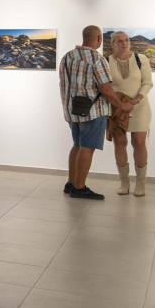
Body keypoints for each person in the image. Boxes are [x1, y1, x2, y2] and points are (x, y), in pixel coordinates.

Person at [60, 26, 135, 199]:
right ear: (99, 38)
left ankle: (71, 183)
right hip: (92, 112)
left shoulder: (67, 57)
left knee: (77, 145)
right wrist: (121, 106)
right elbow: (106, 90)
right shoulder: (97, 59)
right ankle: (79, 188)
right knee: (87, 147)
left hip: (72, 111)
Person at [107, 32, 153, 196]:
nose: (124, 43)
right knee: (119, 143)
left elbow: (147, 83)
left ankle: (140, 183)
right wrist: (119, 104)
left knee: (139, 142)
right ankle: (124, 182)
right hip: (117, 108)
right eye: (119, 41)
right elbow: (105, 87)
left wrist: (136, 100)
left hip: (139, 107)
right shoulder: (106, 61)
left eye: (126, 40)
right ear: (112, 44)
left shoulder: (141, 59)